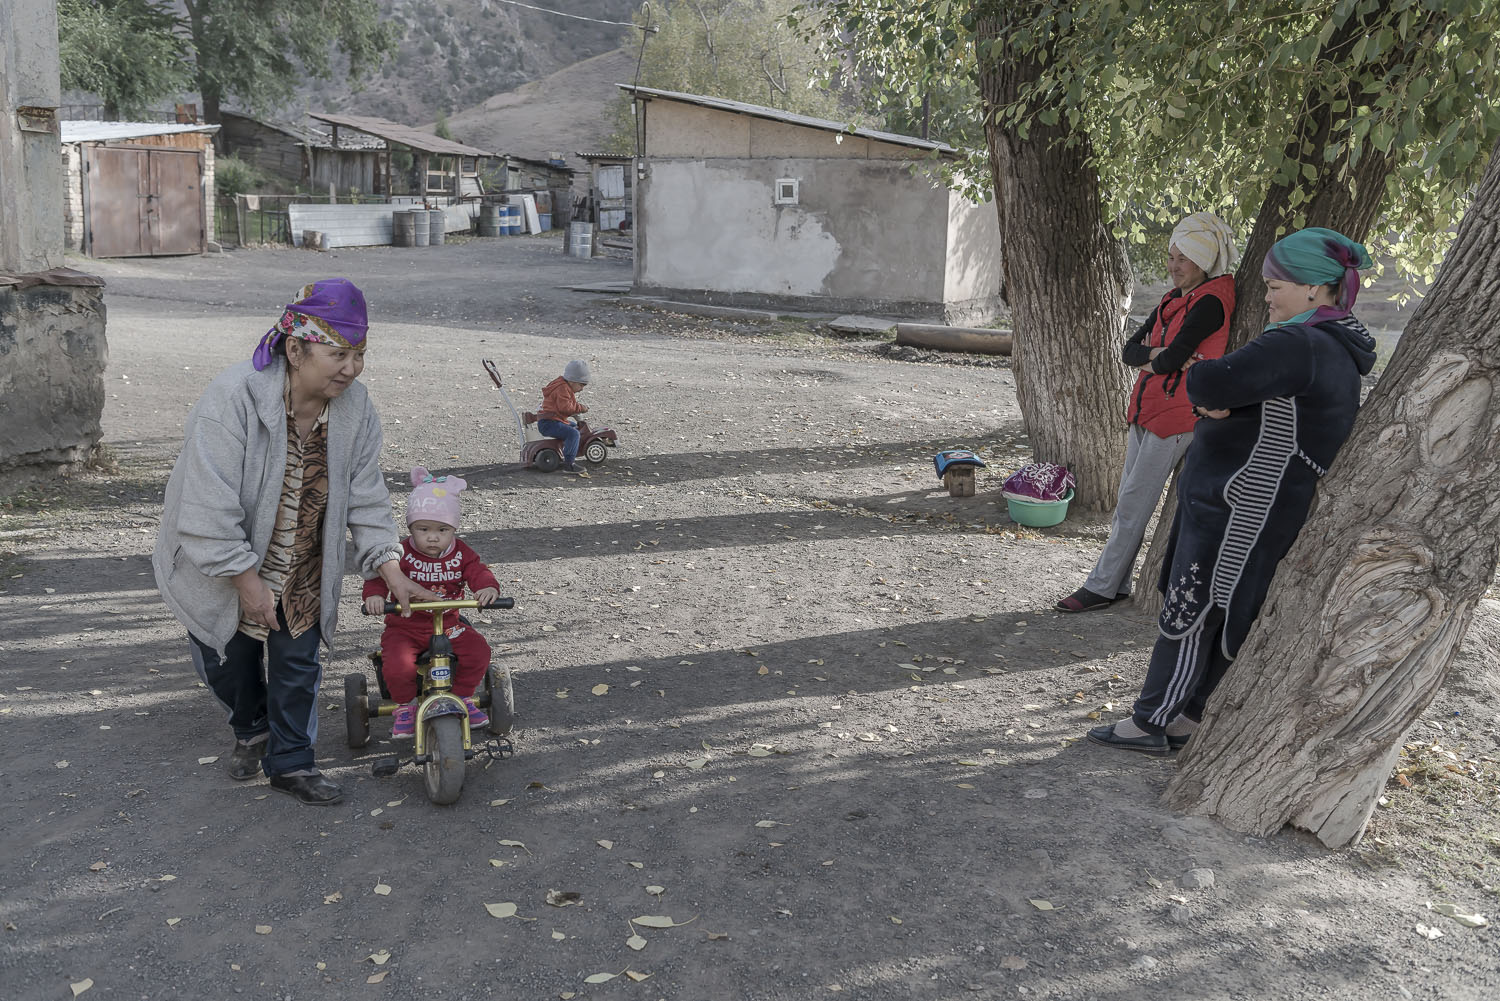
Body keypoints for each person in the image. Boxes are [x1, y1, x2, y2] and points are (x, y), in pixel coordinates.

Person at [1088, 227, 1377, 754]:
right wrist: (1223, 396)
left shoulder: (1299, 342)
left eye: (1275, 286)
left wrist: (1211, 392)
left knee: (1193, 605)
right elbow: (1237, 392)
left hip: (1240, 504)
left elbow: (1208, 382)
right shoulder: (1333, 344)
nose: (1266, 296)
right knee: (1220, 607)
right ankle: (1187, 717)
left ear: (1314, 287)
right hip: (1259, 502)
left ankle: (1151, 720)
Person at [153, 279, 435, 805]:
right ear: (296, 348)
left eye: (359, 354)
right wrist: (245, 580)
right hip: (219, 559)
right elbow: (207, 506)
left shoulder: (354, 408)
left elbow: (366, 493)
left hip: (304, 555)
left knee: (297, 659)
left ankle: (291, 763)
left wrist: (390, 568)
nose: (351, 368)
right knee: (228, 659)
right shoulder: (231, 399)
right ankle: (251, 726)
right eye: (338, 354)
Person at [1057, 212, 1238, 612]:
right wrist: (1157, 357)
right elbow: (1130, 351)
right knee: (1128, 500)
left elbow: (1171, 360)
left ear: (1204, 260)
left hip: (1176, 418)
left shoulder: (1210, 301)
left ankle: (1100, 587)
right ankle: (1117, 583)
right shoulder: (1174, 299)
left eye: (1183, 259)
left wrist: (1160, 358)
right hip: (1148, 410)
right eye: (1171, 256)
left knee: (1133, 505)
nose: (1173, 266)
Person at [362, 467, 501, 738]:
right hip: (406, 625)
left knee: (479, 651)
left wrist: (486, 587)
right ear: (411, 528)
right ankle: (405, 707)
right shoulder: (400, 551)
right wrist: (375, 596)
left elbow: (477, 570)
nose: (433, 537)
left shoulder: (462, 553)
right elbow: (381, 575)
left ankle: (462, 698)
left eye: (442, 530)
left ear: (453, 529)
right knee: (397, 664)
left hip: (450, 624)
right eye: (423, 529)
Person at [536, 359, 591, 471]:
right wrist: (581, 408)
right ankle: (569, 464)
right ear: (572, 381)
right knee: (573, 434)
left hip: (553, 420)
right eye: (582, 385)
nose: (582, 389)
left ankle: (566, 451)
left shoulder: (563, 385)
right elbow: (565, 408)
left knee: (574, 427)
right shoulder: (562, 389)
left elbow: (565, 406)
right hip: (549, 422)